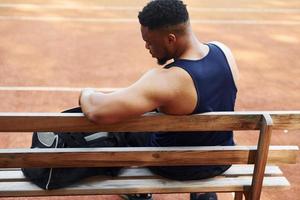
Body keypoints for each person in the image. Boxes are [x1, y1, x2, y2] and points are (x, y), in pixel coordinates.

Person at [79, 0, 239, 199]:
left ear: (171, 39)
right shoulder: (224, 52)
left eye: (150, 41)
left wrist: (86, 93)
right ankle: (203, 192)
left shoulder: (168, 80)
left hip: (175, 166)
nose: (147, 46)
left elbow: (96, 111)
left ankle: (138, 192)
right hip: (221, 159)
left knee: (125, 127)